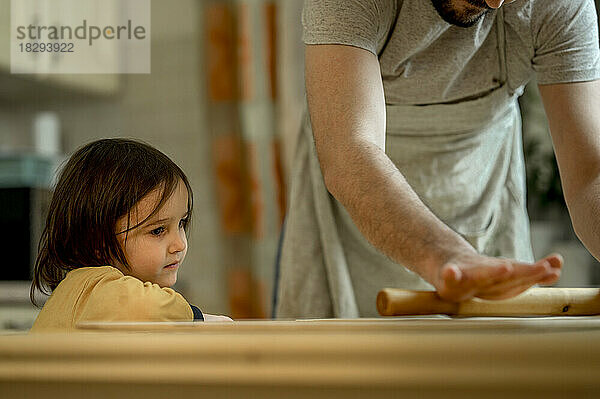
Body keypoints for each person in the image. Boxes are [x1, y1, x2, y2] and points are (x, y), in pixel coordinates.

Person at [275, 0, 600, 318]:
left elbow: (590, 175)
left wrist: (461, 260)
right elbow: (351, 153)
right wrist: (448, 255)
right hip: (349, 220)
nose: (496, 2)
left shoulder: (560, 5)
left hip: (485, 203)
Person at [30, 138, 231, 332]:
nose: (179, 244)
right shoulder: (93, 286)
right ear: (97, 240)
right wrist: (196, 317)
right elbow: (150, 308)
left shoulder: (98, 293)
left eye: (181, 223)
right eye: (158, 230)